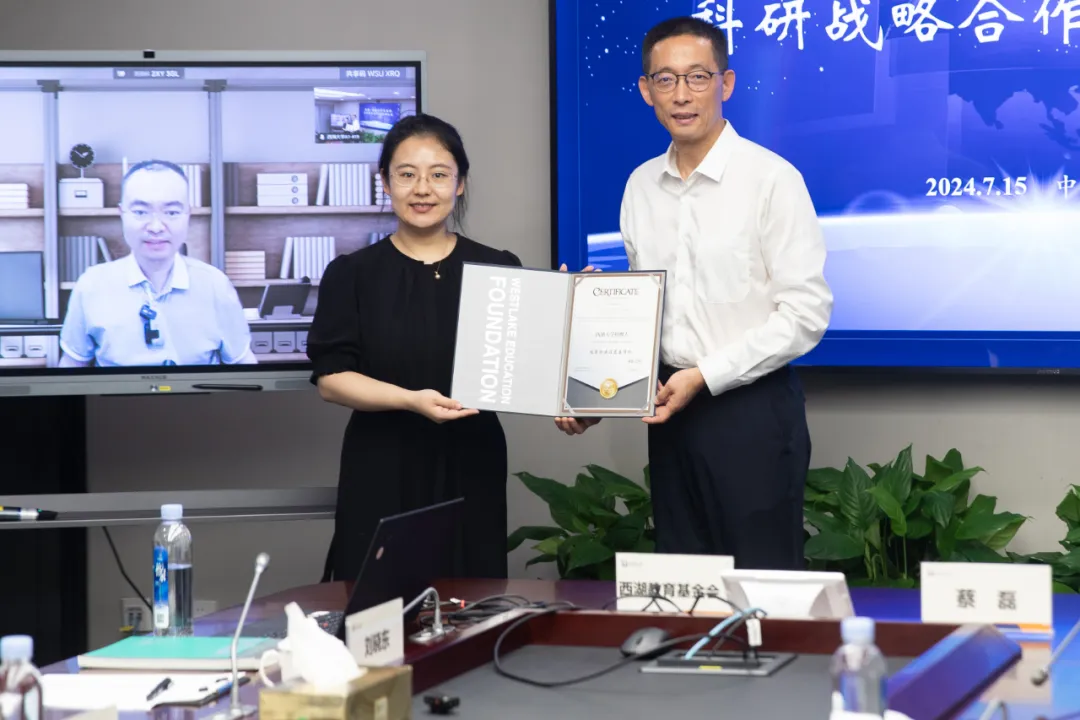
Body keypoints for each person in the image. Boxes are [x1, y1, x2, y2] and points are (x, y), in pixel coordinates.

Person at [555, 17, 833, 571]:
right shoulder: (640, 186)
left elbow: (806, 313)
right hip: (671, 412)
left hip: (752, 411)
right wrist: (594, 388)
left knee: (763, 585)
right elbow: (645, 315)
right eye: (665, 79)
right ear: (646, 90)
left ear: (725, 83)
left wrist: (705, 375)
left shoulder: (771, 179)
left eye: (697, 77)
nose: (681, 95)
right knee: (684, 582)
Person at [306, 113, 522, 583]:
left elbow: (525, 366)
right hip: (382, 461)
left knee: (471, 601)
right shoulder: (352, 274)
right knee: (378, 606)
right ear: (385, 182)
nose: (422, 189)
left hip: (472, 460)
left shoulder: (500, 269)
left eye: (438, 175)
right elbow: (332, 379)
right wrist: (410, 400)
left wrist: (572, 312)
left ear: (460, 183)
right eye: (407, 175)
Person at [58, 159, 255, 367]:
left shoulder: (215, 285)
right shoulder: (91, 285)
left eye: (171, 212)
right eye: (140, 212)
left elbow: (243, 364)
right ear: (121, 214)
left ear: (188, 215)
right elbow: (73, 364)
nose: (156, 227)